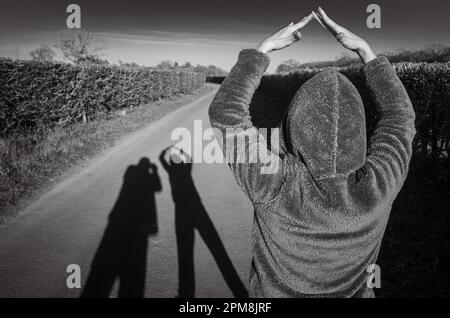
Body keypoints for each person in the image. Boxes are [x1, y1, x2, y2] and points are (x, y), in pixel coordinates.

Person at [208, 7, 416, 297]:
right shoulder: (378, 187)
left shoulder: (278, 184)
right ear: (358, 126)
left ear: (294, 126)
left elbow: (226, 113)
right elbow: (401, 118)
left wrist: (263, 49)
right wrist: (366, 50)